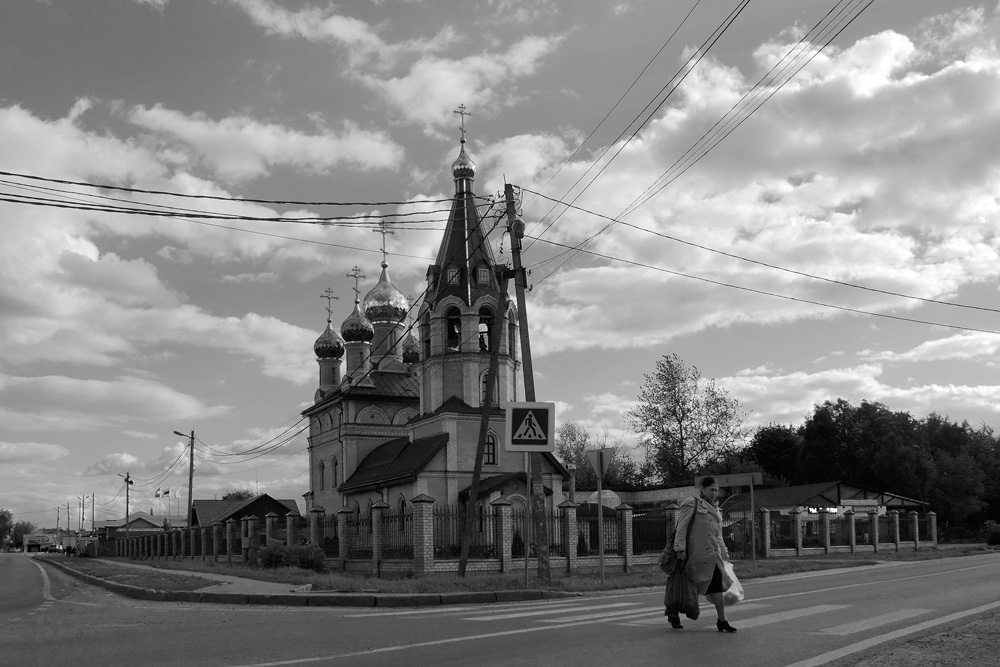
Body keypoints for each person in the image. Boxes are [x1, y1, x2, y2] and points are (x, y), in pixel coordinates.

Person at [670, 476, 737, 632]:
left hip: (713, 555)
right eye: (711, 489)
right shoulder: (691, 503)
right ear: (702, 489)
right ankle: (673, 612)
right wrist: (680, 549)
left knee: (716, 587)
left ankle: (722, 620)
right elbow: (682, 527)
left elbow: (718, 534)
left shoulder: (716, 509)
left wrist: (724, 549)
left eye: (716, 490)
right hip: (694, 555)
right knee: (685, 586)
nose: (714, 493)